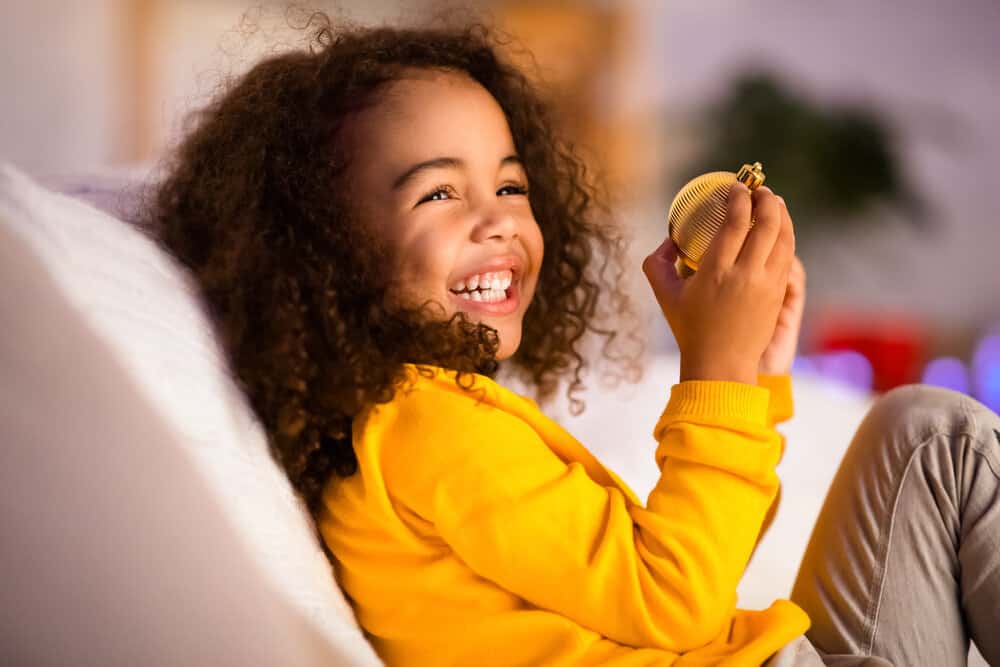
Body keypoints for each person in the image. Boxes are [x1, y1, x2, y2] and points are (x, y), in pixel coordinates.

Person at [145, 14, 1000, 667]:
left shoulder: (417, 426)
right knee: (945, 444)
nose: (499, 218)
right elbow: (679, 603)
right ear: (323, 254)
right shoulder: (425, 432)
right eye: (439, 194)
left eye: (511, 184)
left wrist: (753, 375)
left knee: (921, 432)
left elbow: (688, 561)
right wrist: (716, 375)